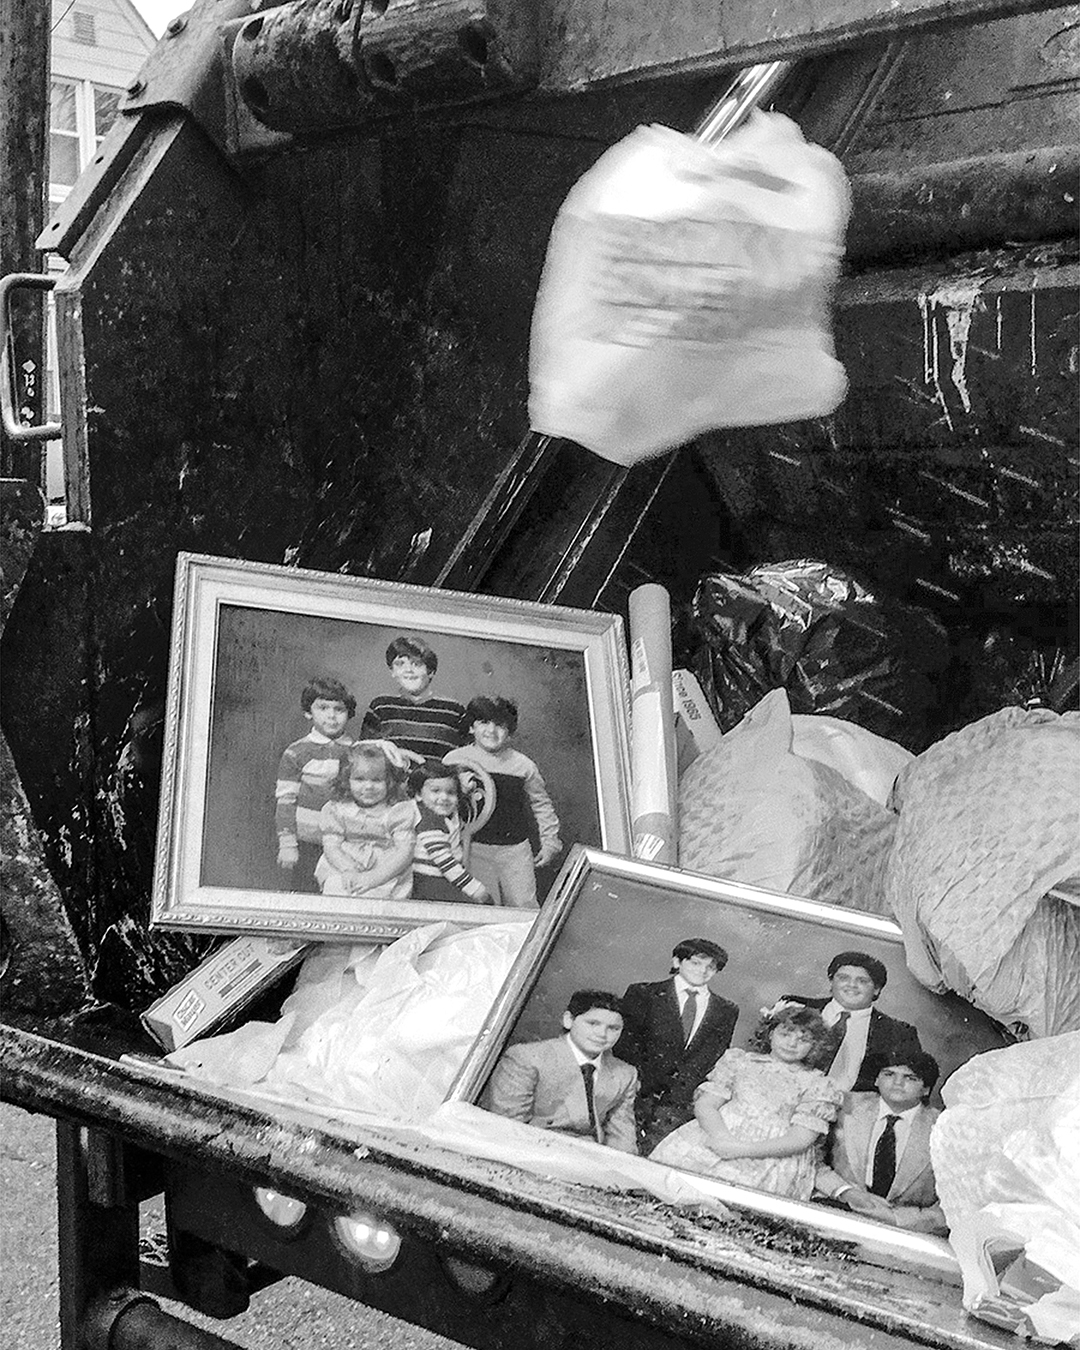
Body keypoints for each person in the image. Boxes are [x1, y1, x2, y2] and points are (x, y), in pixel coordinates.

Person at [649, 1004, 843, 1200]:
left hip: (772, 1156)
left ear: (815, 1046)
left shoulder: (818, 1084)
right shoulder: (739, 1061)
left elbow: (800, 1139)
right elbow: (706, 1105)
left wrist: (740, 1150)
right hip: (718, 1134)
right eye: (785, 1034)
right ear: (770, 1033)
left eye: (803, 1040)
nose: (792, 1043)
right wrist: (723, 1139)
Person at [614, 938, 739, 1153]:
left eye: (711, 967)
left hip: (680, 1105)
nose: (703, 971)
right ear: (677, 962)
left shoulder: (726, 1009)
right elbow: (625, 1046)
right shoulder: (643, 993)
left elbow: (715, 1056)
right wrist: (638, 1084)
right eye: (695, 963)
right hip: (634, 1092)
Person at [443, 696, 561, 909]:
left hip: (515, 851)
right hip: (473, 849)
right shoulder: (454, 760)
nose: (491, 730)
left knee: (523, 906)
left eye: (500, 725)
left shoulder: (523, 765)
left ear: (510, 731)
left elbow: (541, 804)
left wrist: (550, 841)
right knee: (480, 906)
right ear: (471, 727)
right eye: (483, 723)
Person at [483, 991, 638, 1152]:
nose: (602, 1034)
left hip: (590, 1158)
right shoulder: (528, 1057)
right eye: (593, 1024)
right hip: (533, 1150)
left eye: (613, 1028)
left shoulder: (624, 1074)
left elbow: (622, 1136)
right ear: (568, 1020)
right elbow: (508, 1126)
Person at [814, 1050, 947, 1234]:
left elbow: (958, 1204)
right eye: (889, 1074)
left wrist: (896, 1219)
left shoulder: (945, 1127)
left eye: (910, 1078)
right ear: (876, 1079)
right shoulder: (845, 1104)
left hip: (903, 1232)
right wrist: (844, 1191)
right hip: (835, 1211)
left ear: (926, 1089)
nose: (898, 1083)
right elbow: (810, 1158)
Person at [780, 951, 923, 1093]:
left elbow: (908, 1087)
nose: (852, 985)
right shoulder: (796, 1007)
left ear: (877, 989)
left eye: (862, 981)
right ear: (831, 981)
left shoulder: (899, 1033)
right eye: (843, 978)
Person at [274, 676, 356, 892]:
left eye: (339, 709)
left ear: (349, 713)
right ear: (308, 712)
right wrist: (288, 844)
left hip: (346, 843)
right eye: (323, 708)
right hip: (307, 842)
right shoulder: (296, 752)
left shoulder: (357, 752)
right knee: (305, 895)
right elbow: (286, 801)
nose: (332, 715)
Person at [315, 742, 415, 899]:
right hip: (343, 864)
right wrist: (348, 869)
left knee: (376, 898)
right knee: (337, 889)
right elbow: (331, 846)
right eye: (359, 779)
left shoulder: (396, 811)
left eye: (377, 780)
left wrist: (373, 878)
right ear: (346, 780)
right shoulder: (337, 809)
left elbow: (404, 851)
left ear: (390, 781)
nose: (368, 786)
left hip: (385, 870)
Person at [359, 635, 467, 761]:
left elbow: (467, 756)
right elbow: (364, 753)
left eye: (417, 664)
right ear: (392, 671)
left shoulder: (454, 711)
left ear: (430, 671)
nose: (408, 670)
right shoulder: (380, 707)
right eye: (400, 664)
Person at [408, 759, 492, 905]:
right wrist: (476, 890)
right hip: (429, 882)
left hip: (441, 879)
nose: (444, 797)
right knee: (477, 906)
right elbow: (445, 862)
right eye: (435, 791)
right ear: (418, 794)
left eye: (451, 792)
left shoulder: (442, 816)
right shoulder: (430, 821)